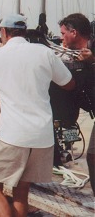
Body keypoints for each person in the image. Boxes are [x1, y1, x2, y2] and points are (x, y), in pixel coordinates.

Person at [0, 14, 75, 217]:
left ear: (3, 32)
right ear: (24, 31)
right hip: (42, 137)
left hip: (12, 136)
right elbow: (69, 83)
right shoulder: (45, 53)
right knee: (21, 190)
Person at [57, 13, 94, 196]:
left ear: (74, 32)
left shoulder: (92, 52)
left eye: (64, 33)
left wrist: (92, 61)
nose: (61, 37)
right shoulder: (74, 55)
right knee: (93, 156)